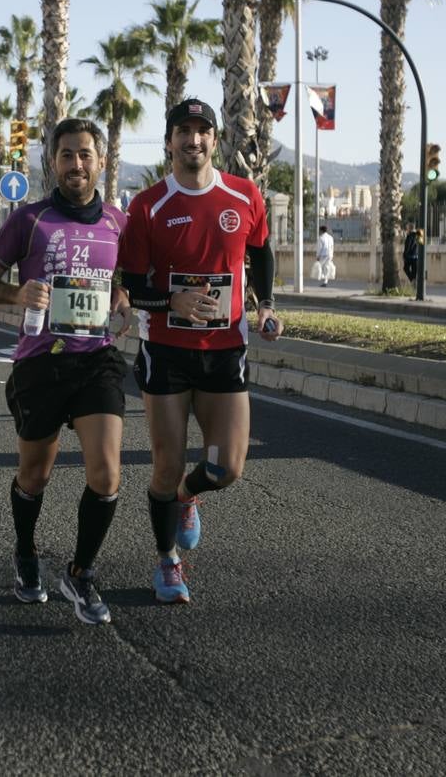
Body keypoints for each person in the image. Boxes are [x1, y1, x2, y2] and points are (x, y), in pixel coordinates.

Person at [116, 98, 283, 605]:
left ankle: (188, 497)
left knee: (226, 469)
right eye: (183, 131)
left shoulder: (243, 194)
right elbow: (133, 285)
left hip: (224, 349)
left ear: (215, 140)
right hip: (164, 351)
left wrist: (266, 305)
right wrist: (173, 301)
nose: (194, 140)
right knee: (165, 466)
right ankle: (168, 560)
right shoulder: (148, 206)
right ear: (169, 142)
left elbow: (260, 252)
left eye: (202, 131)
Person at [0, 118, 131, 626]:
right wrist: (18, 294)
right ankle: (25, 553)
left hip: (97, 361)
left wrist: (123, 304)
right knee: (35, 476)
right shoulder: (29, 220)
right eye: (66, 155)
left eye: (85, 154)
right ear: (53, 162)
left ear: (100, 161)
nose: (76, 164)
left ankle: (80, 574)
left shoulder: (117, 223)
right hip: (41, 362)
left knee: (106, 474)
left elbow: (123, 284)